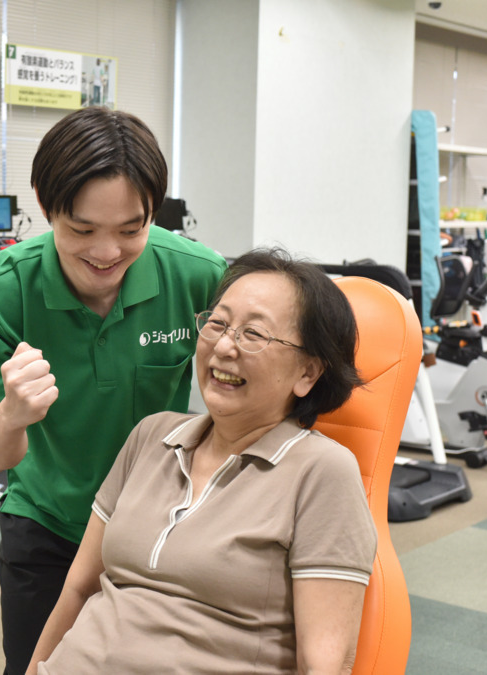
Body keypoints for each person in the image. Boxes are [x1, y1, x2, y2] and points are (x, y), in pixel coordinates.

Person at [0, 106, 226, 675]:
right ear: (44, 205)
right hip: (48, 523)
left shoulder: (199, 276)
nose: (107, 253)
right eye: (82, 230)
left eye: (132, 230)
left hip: (160, 525)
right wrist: (12, 414)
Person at [28, 247, 378, 675]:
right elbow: (79, 589)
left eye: (254, 334)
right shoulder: (151, 436)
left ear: (308, 373)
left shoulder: (322, 471)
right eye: (217, 323)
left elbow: (325, 663)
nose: (224, 346)